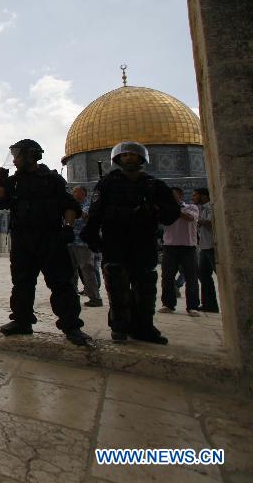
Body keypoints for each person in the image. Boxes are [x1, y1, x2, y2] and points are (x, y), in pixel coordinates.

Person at [0, 139, 91, 346]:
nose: (15, 160)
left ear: (31, 156)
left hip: (50, 239)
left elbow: (70, 205)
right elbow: (0, 203)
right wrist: (2, 183)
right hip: (22, 240)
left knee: (61, 284)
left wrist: (67, 228)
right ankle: (22, 321)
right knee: (22, 283)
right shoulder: (15, 181)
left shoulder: (51, 179)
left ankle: (72, 326)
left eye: (18, 155)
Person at [81, 141, 180, 344]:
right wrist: (93, 238)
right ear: (118, 159)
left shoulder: (153, 185)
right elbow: (96, 213)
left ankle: (144, 327)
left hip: (143, 243)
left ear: (141, 158)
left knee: (145, 288)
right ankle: (119, 327)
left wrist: (153, 210)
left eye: (132, 155)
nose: (128, 158)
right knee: (117, 287)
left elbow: (171, 213)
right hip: (115, 242)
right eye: (124, 155)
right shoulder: (107, 183)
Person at [159, 187, 201, 316]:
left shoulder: (191, 208)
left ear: (181, 196)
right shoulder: (165, 210)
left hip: (188, 247)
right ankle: (168, 304)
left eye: (173, 195)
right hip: (170, 246)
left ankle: (193, 306)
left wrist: (175, 210)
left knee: (191, 277)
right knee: (167, 277)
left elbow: (189, 218)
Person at [69, 185, 103, 307]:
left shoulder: (89, 206)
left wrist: (76, 212)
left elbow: (86, 219)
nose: (73, 194)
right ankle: (72, 296)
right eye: (73, 192)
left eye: (76, 192)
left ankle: (95, 297)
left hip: (83, 243)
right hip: (71, 242)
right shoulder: (71, 206)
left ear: (83, 193)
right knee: (71, 272)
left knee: (87, 270)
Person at [193, 188, 219, 312]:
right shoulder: (201, 209)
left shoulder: (210, 207)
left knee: (220, 274)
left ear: (203, 196)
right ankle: (209, 304)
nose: (193, 198)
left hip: (212, 246)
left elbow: (210, 223)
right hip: (204, 247)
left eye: (195, 195)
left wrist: (197, 220)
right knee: (203, 275)